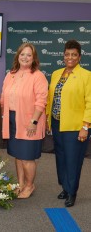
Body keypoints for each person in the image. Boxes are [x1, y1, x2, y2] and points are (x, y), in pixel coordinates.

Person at [46, 40, 91, 207]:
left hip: (76, 127)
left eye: (74, 55)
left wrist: (85, 126)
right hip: (58, 124)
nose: (70, 57)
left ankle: (72, 192)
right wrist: (48, 119)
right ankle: (65, 186)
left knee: (73, 160)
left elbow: (90, 103)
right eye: (67, 54)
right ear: (63, 56)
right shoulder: (57, 73)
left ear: (79, 57)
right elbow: (51, 98)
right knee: (61, 158)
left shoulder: (87, 76)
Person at [1, 43, 48, 198]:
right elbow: (3, 98)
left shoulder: (38, 76)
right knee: (18, 155)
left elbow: (41, 101)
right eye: (22, 54)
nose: (25, 57)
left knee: (27, 157)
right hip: (13, 120)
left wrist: (34, 122)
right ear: (18, 56)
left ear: (34, 58)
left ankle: (29, 185)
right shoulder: (11, 74)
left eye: (29, 55)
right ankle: (20, 184)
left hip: (30, 122)